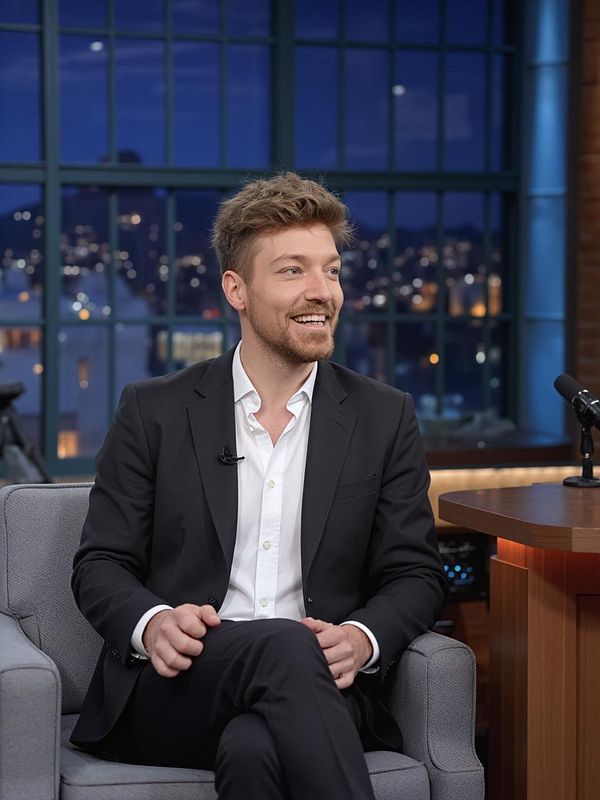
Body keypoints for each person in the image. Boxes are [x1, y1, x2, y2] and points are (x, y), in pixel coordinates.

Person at [71, 172, 447, 799]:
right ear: (236, 290)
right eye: (293, 271)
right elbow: (100, 563)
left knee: (253, 748)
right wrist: (153, 623)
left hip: (323, 686)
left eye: (331, 271)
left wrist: (362, 638)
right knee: (282, 645)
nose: (321, 291)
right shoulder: (154, 410)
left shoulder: (384, 416)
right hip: (181, 685)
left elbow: (416, 573)